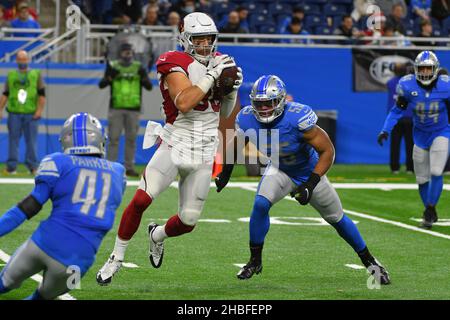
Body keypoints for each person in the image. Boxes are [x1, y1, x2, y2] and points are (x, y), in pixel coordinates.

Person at [96, 12, 243, 285]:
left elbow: (223, 113)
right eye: (198, 39)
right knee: (141, 199)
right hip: (176, 142)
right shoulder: (173, 62)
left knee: (188, 222)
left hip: (204, 149)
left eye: (209, 38)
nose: (205, 44)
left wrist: (231, 92)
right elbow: (185, 102)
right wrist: (213, 75)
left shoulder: (223, 62)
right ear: (185, 39)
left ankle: (157, 235)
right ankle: (116, 257)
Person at [215, 75, 390, 285]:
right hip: (280, 169)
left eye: (268, 103)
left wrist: (311, 183)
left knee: (336, 218)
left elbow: (327, 151)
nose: (263, 109)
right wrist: (226, 172)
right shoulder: (245, 118)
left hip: (308, 171)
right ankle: (255, 260)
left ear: (280, 101)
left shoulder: (297, 117)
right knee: (260, 204)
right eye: (259, 104)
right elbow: (237, 142)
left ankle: (372, 263)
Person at [0, 113, 126, 300]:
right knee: (41, 298)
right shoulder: (118, 173)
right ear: (100, 139)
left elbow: (29, 206)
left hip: (43, 243)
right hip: (78, 262)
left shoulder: (58, 162)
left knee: (4, 283)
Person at [378, 51, 450, 229]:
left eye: (428, 68)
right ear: (416, 69)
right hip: (419, 135)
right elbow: (397, 110)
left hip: (440, 132)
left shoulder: (445, 86)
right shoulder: (407, 85)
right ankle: (429, 211)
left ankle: (431, 208)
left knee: (436, 171)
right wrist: (385, 129)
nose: (425, 72)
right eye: (422, 68)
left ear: (435, 70)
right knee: (422, 179)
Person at [98, 42, 153, 177]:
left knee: (131, 139)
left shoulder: (138, 67)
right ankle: (110, 166)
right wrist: (110, 76)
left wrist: (143, 76)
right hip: (116, 107)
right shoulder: (113, 66)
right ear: (120, 53)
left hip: (134, 108)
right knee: (113, 138)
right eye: (125, 52)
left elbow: (149, 86)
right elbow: (102, 84)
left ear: (133, 53)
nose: (127, 54)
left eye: (129, 52)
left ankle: (129, 167)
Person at [0, 50, 45, 175]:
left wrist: (39, 110)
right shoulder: (11, 75)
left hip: (31, 113)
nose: (22, 62)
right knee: (13, 140)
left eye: (24, 59)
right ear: (16, 61)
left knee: (31, 141)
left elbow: (42, 95)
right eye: (20, 59)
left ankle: (33, 167)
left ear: (28, 60)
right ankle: (11, 167)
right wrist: (0, 109)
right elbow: (5, 94)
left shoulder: (36, 74)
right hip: (14, 113)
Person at [386, 62, 414, 174]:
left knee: (395, 144)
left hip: (395, 118)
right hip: (409, 116)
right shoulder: (411, 83)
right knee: (410, 144)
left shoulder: (391, 82)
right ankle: (410, 168)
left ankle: (395, 168)